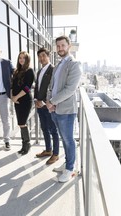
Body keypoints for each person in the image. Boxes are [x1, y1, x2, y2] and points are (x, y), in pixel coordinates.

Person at [46, 36, 82, 182]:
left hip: (66, 110)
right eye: (58, 46)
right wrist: (50, 102)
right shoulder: (58, 65)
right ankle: (67, 163)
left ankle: (70, 169)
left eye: (63, 45)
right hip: (55, 109)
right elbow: (51, 86)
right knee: (64, 139)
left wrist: (52, 101)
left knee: (68, 140)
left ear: (69, 46)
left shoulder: (74, 64)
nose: (60, 48)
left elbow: (70, 89)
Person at [34, 48, 60, 164]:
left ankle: (55, 154)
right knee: (44, 128)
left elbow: (53, 89)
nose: (42, 58)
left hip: (49, 105)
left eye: (44, 55)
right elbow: (37, 87)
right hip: (40, 106)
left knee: (53, 130)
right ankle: (48, 150)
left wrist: (44, 102)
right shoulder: (39, 71)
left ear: (48, 56)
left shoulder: (53, 70)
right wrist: (36, 100)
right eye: (40, 56)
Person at [11, 51, 35, 155]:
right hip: (16, 101)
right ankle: (24, 145)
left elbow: (26, 88)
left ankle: (27, 144)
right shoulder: (16, 71)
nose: (21, 59)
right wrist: (13, 97)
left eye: (23, 58)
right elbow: (12, 85)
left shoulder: (30, 71)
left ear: (27, 60)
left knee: (22, 123)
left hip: (25, 101)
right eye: (20, 58)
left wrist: (16, 97)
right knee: (20, 124)